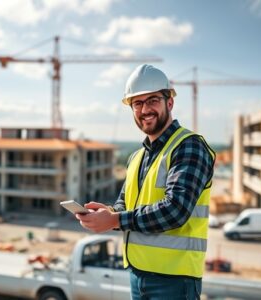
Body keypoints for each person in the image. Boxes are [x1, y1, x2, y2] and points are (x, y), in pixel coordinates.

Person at [76, 64, 215, 300]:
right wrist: (106, 214)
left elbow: (175, 210)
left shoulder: (189, 146)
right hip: (137, 275)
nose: (144, 110)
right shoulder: (137, 157)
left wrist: (115, 219)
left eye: (152, 100)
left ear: (169, 102)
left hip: (174, 280)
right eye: (137, 104)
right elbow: (124, 206)